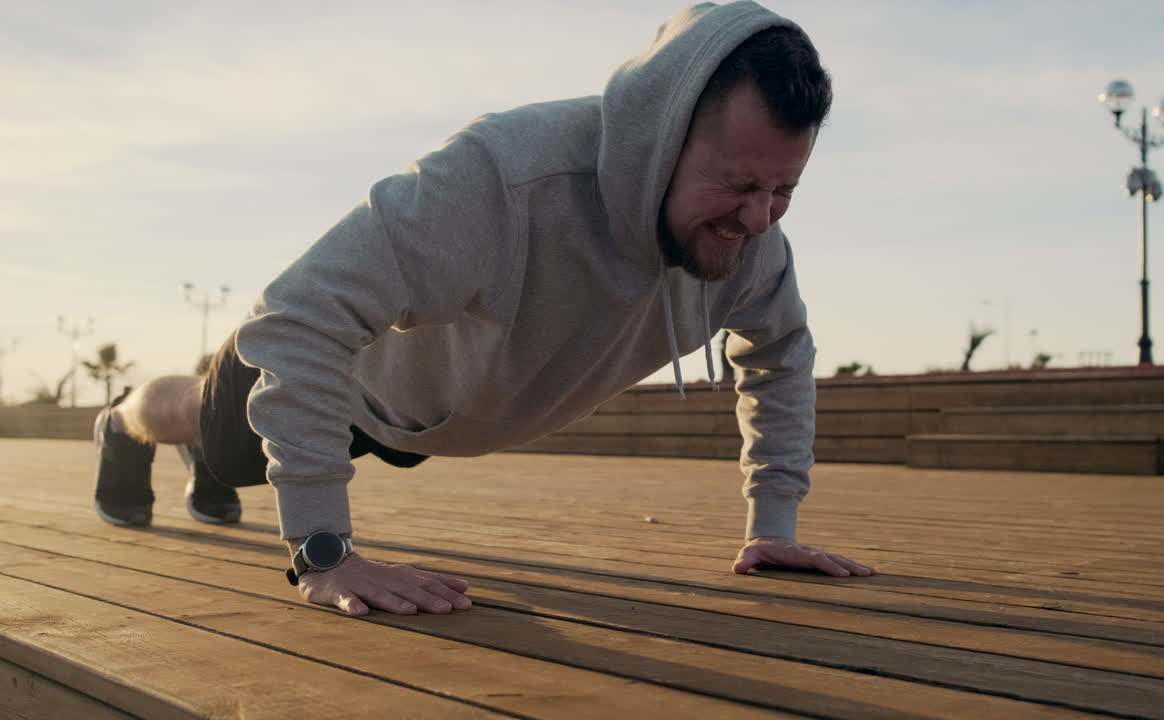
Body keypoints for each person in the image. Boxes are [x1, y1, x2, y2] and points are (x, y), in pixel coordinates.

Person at [93, 0, 876, 618]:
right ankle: (122, 424)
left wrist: (773, 524)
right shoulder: (501, 178)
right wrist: (324, 551)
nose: (761, 218)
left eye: (785, 189)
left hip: (434, 411)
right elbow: (295, 320)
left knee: (254, 445)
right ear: (659, 140)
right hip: (345, 383)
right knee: (205, 423)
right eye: (740, 185)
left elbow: (782, 355)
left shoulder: (751, 246)